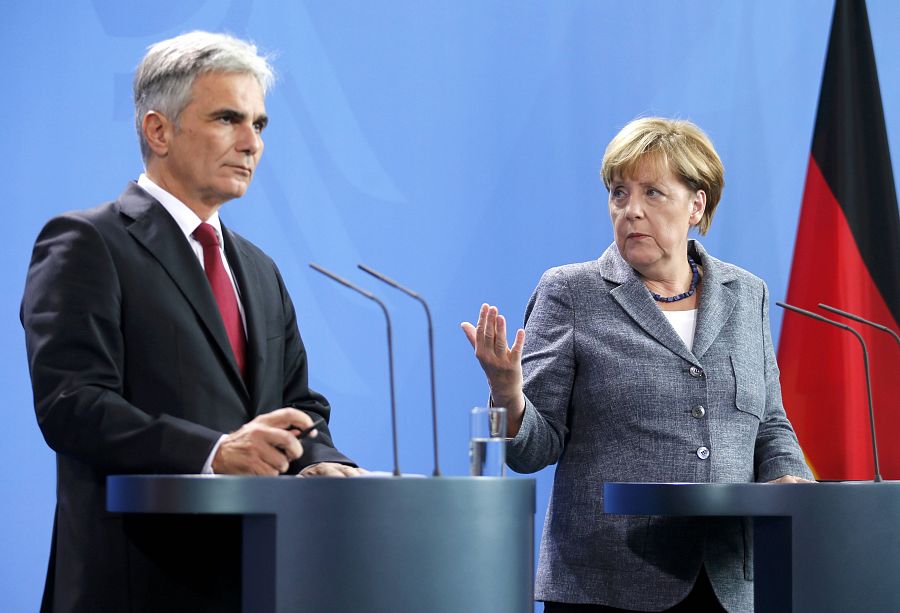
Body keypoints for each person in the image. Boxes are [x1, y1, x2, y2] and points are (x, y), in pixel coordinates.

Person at [21, 31, 364, 613]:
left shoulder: (257, 267)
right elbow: (73, 405)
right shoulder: (87, 242)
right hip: (135, 582)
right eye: (228, 118)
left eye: (260, 124)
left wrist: (320, 460)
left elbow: (297, 402)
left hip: (259, 579)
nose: (250, 143)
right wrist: (213, 452)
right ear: (159, 130)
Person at [462, 117, 812, 613]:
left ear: (697, 204)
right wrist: (506, 393)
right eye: (619, 193)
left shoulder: (746, 293)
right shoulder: (572, 292)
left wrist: (790, 482)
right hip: (607, 583)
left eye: (653, 193)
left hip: (732, 584)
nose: (631, 211)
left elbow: (769, 423)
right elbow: (532, 450)